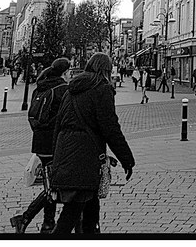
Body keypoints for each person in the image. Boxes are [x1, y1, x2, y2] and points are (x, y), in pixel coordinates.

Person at [50, 53, 135, 234]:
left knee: (90, 207)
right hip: (85, 157)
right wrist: (126, 158)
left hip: (65, 151)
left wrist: (55, 155)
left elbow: (58, 124)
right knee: (72, 212)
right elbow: (110, 127)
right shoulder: (102, 88)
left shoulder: (71, 88)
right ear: (106, 69)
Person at [11, 57, 71, 233]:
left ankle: (48, 223)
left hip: (40, 143)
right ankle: (26, 217)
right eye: (69, 72)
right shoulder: (63, 90)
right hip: (55, 143)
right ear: (65, 73)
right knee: (54, 186)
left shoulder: (40, 87)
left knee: (49, 184)